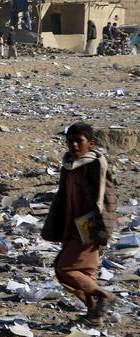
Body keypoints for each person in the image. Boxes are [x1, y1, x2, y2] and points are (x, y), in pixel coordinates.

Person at [41, 123, 117, 326]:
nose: (74, 145)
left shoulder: (95, 164)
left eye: (79, 141)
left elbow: (107, 197)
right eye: (70, 141)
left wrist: (103, 226)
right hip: (70, 224)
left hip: (89, 226)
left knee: (65, 268)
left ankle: (105, 296)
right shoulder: (69, 164)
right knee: (82, 274)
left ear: (90, 142)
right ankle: (95, 315)